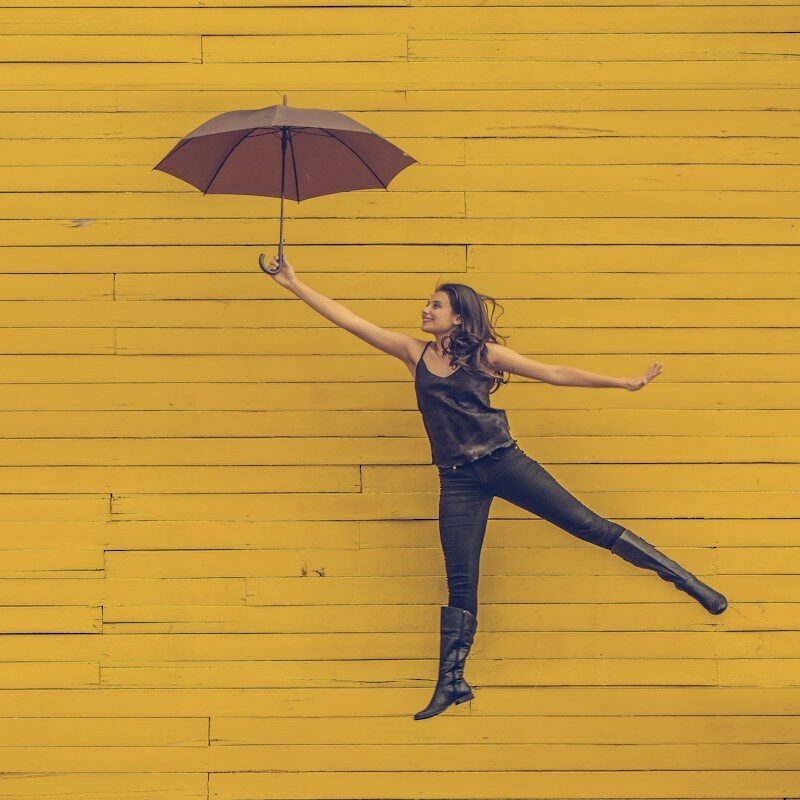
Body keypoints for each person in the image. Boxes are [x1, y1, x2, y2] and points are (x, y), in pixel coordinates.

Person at [263, 254, 728, 721]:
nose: (426, 311)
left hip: (504, 463)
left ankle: (690, 583)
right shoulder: (413, 353)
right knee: (461, 581)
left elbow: (552, 372)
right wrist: (293, 284)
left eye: (436, 305)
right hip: (457, 479)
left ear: (458, 316)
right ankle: (452, 683)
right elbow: (348, 319)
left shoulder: (485, 353)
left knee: (589, 526)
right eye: (428, 304)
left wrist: (623, 382)